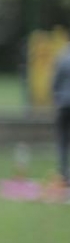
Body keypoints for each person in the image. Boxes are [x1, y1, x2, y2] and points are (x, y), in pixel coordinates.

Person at [52, 42, 70, 186]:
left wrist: (57, 98)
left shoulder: (62, 58)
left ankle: (64, 173)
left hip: (63, 104)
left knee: (63, 141)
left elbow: (55, 82)